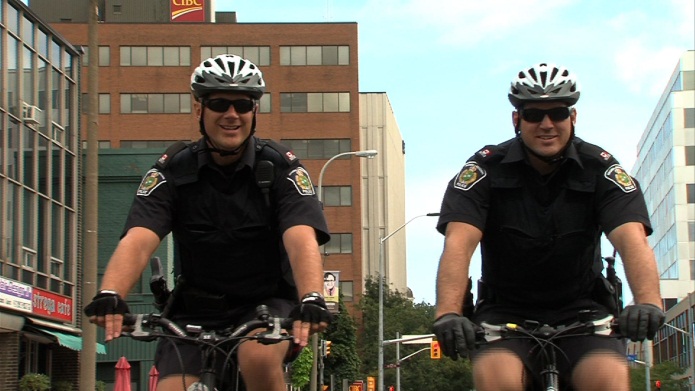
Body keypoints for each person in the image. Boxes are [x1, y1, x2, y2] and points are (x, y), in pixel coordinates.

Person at [84, 54, 332, 391]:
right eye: (219, 104)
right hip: (194, 311)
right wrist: (111, 293)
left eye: (243, 105)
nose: (232, 115)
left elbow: (301, 236)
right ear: (199, 109)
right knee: (171, 389)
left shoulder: (279, 167)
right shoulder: (173, 168)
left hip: (266, 305)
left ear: (254, 111)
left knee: (257, 358)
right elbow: (140, 238)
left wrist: (312, 297)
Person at [432, 62, 665, 391]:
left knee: (608, 379)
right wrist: (448, 313)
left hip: (583, 313)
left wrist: (648, 302)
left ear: (573, 117)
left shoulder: (600, 169)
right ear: (517, 119)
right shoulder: (485, 170)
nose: (546, 125)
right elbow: (458, 244)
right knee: (497, 380)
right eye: (533, 115)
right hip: (505, 314)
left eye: (557, 113)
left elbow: (632, 241)